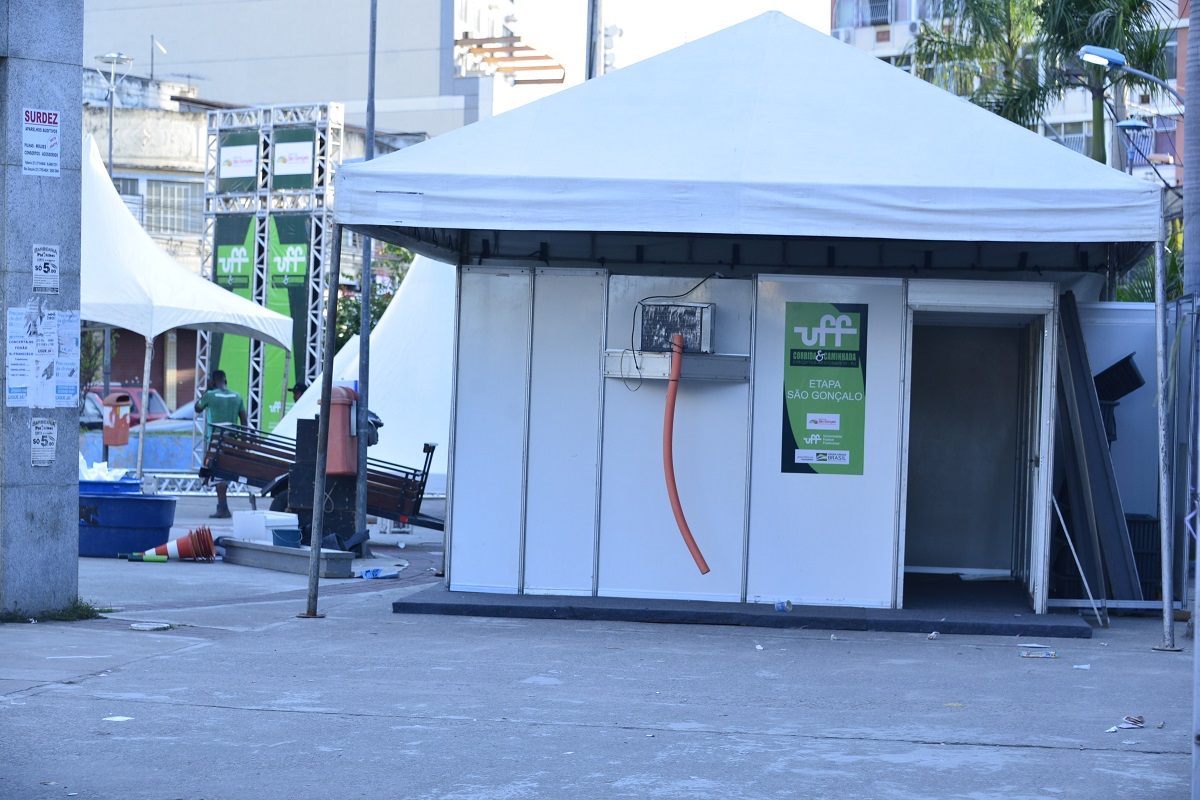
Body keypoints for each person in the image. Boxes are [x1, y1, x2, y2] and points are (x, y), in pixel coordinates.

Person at [195, 370, 247, 519]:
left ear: (213, 382)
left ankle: (223, 508)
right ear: (226, 381)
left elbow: (197, 408)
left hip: (216, 442)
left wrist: (207, 390)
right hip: (232, 441)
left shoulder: (210, 395)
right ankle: (222, 506)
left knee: (218, 474)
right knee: (224, 472)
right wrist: (243, 444)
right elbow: (244, 422)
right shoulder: (237, 396)